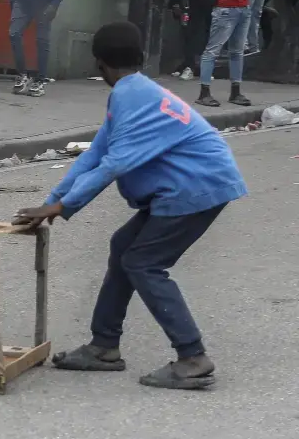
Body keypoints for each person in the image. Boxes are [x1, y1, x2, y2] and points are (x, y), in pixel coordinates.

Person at [16, 21, 244, 390]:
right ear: (139, 57)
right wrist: (52, 202)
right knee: (124, 247)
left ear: (99, 64)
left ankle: (192, 357)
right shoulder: (133, 91)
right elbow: (96, 154)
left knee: (144, 262)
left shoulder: (131, 95)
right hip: (192, 184)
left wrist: (62, 208)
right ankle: (103, 346)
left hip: (195, 188)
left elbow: (114, 164)